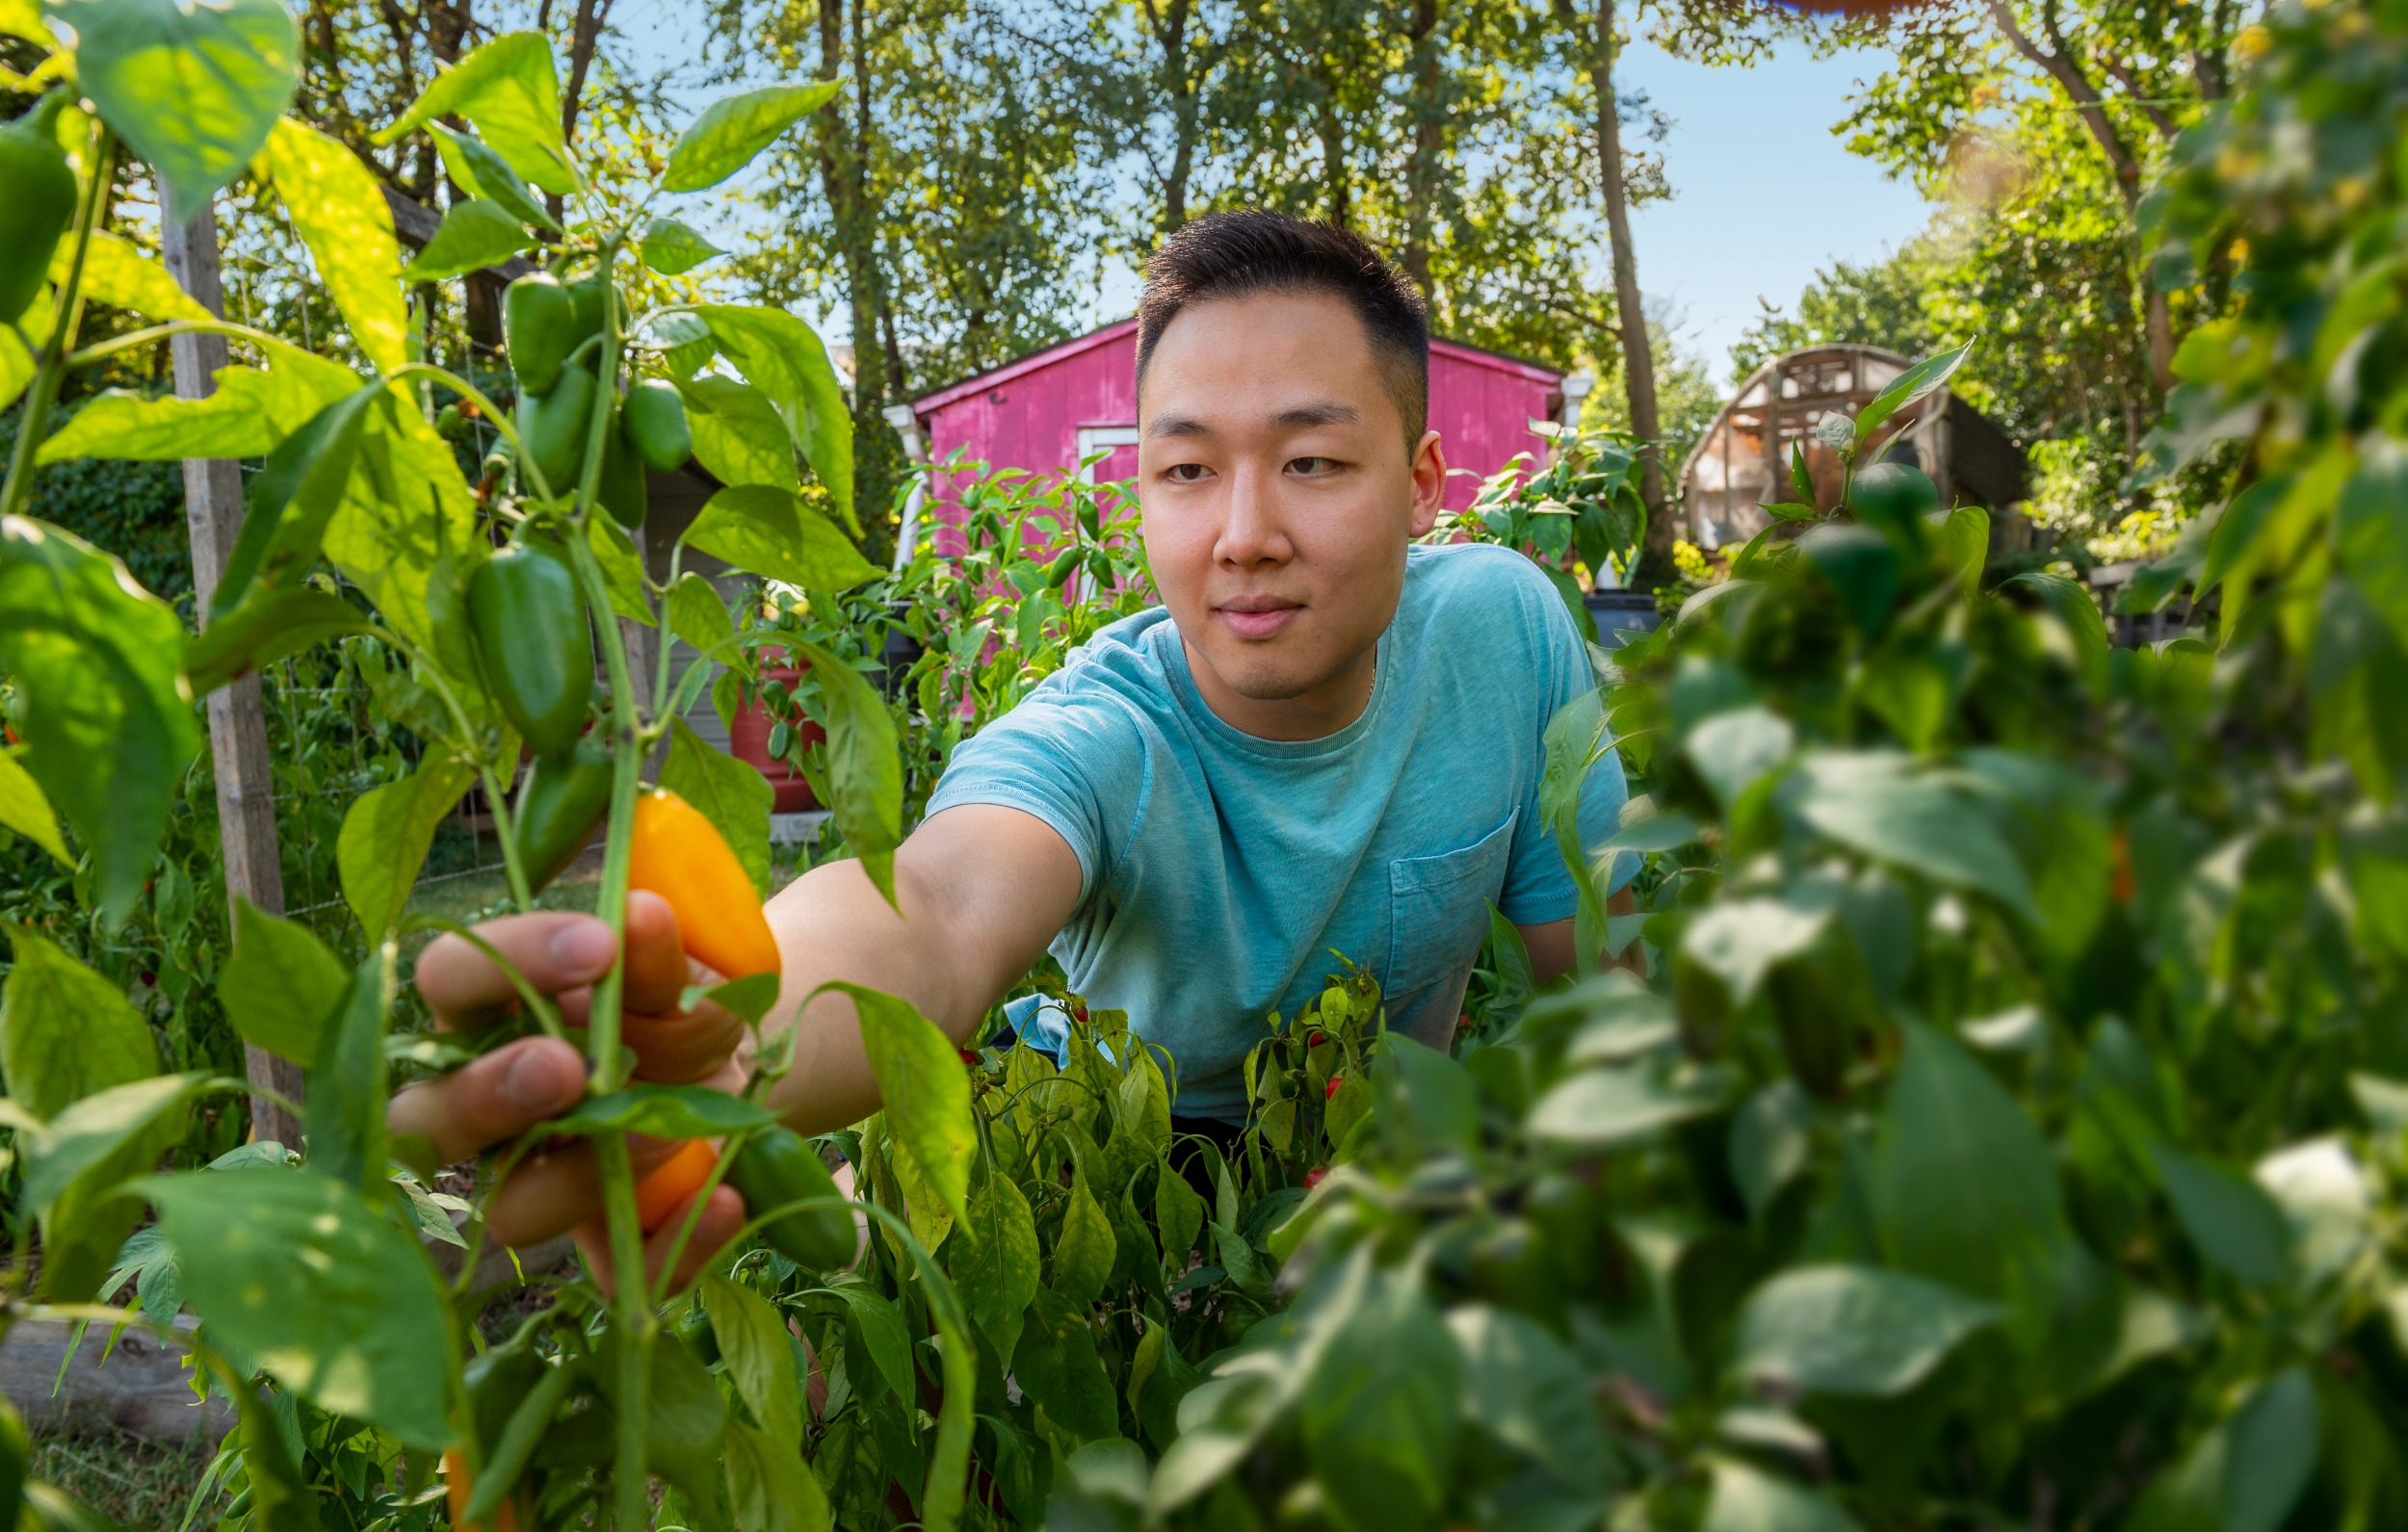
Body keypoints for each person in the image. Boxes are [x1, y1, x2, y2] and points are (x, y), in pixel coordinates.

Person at [388, 211, 1637, 1289]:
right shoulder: (1106, 737)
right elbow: (931, 914)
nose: (1245, 534)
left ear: (1422, 484)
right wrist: (720, 1043)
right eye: (1189, 470)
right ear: (1141, 492)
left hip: (1376, 1160)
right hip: (1104, 1161)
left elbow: (1600, 976)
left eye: (1312, 461)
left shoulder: (1502, 632)